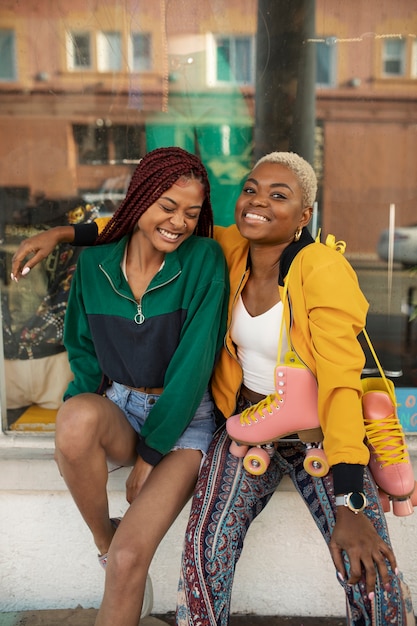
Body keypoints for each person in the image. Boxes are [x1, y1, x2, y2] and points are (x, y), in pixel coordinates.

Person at [11, 152, 415, 625]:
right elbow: (136, 222)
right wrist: (64, 234)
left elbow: (342, 387)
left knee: (368, 564)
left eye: (278, 196)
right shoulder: (229, 247)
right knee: (204, 559)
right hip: (246, 426)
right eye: (251, 190)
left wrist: (351, 499)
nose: (258, 203)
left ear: (305, 215)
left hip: (320, 433)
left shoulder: (320, 270)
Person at [12, 146, 229, 626]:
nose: (179, 222)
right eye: (167, 207)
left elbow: (193, 370)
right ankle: (103, 540)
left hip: (184, 421)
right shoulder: (95, 263)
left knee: (130, 562)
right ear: (139, 200)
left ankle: (120, 552)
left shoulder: (203, 260)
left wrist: (151, 455)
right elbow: (82, 348)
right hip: (120, 405)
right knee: (73, 420)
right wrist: (74, 434)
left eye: (192, 213)